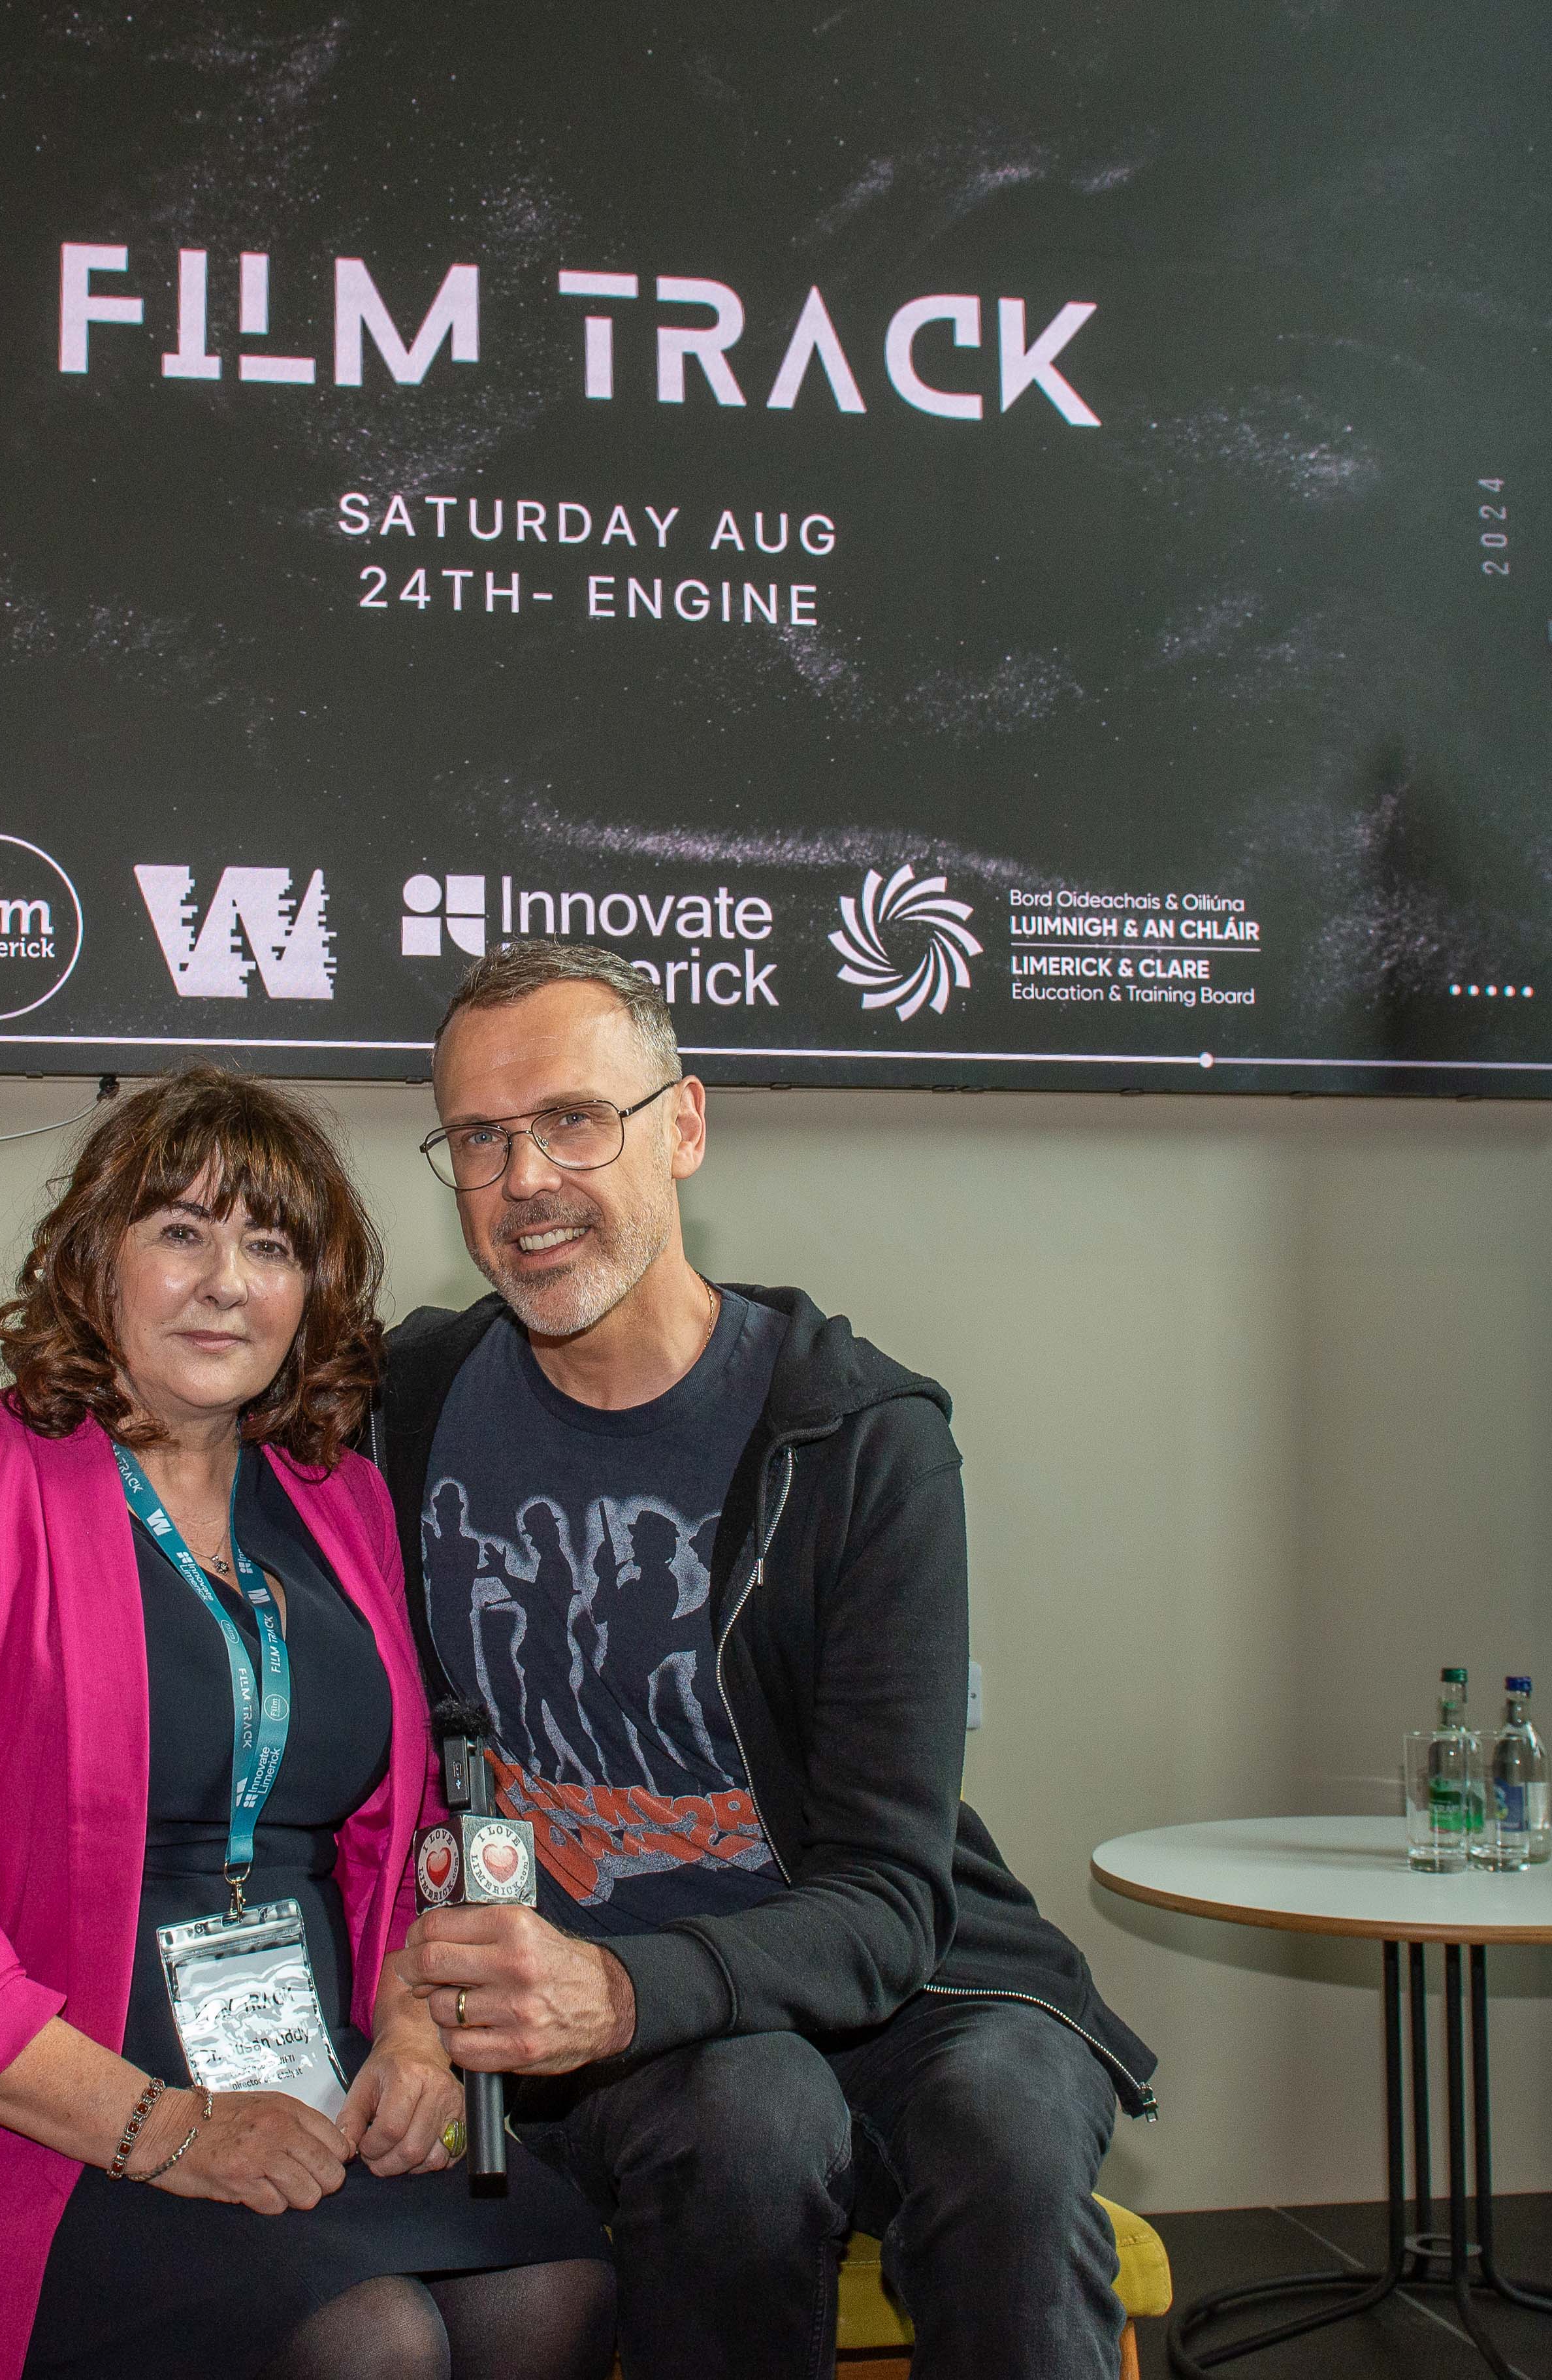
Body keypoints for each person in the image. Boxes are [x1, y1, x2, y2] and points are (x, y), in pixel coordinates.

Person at [0, 1066, 613, 2380]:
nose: (227, 1283)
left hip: (306, 2074)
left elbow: (405, 1829)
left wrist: (418, 2029)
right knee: (370, 2339)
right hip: (32, 2109)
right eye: (182, 1232)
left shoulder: (339, 1499)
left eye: (272, 1247)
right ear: (96, 1260)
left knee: (550, 2281)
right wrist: (169, 2128)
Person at [370, 944, 1162, 2380]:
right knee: (748, 2117)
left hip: (906, 1985)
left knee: (1008, 2143)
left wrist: (620, 1992)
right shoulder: (403, 1408)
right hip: (623, 2024)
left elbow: (890, 1896)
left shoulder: (859, 1441)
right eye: (479, 1138)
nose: (525, 1178)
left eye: (574, 1120)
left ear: (683, 1125)